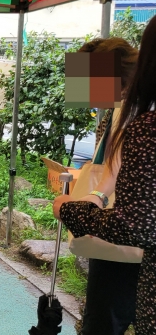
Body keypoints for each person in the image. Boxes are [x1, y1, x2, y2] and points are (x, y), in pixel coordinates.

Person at [55, 17, 156, 335]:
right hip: (134, 244)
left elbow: (118, 177)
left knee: (103, 321)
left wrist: (75, 207)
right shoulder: (123, 107)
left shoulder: (136, 116)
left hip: (123, 240)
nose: (83, 92)